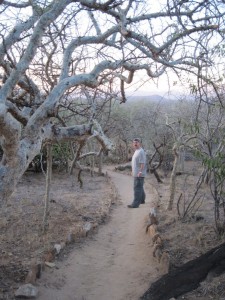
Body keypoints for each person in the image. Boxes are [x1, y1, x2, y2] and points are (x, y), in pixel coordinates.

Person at [128, 138, 147, 208]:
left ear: (139, 143)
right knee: (140, 187)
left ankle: (135, 204)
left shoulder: (141, 152)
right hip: (136, 173)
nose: (135, 144)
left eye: (136, 142)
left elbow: (142, 163)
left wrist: (140, 172)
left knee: (137, 188)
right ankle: (142, 200)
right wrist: (133, 171)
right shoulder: (137, 151)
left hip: (139, 174)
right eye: (134, 143)